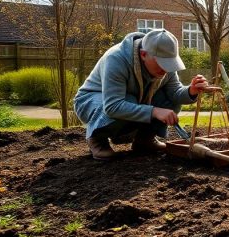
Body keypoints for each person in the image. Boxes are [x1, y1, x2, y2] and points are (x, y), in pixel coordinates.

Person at [74, 29, 208, 160]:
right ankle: (97, 139)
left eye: (169, 63)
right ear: (143, 54)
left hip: (133, 100)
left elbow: (175, 93)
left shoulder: (166, 67)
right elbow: (112, 105)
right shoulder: (116, 59)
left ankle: (144, 139)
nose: (166, 69)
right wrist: (154, 111)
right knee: (129, 99)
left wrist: (191, 91)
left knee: (167, 101)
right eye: (162, 63)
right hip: (92, 101)